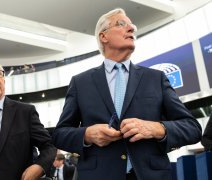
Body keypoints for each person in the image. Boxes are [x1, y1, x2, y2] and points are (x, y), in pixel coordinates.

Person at [52, 8, 202, 180]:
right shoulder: (80, 83)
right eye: (122, 24)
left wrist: (157, 128)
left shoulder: (156, 78)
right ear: (103, 36)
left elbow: (192, 128)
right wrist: (87, 134)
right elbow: (59, 135)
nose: (131, 29)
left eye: (132, 26)